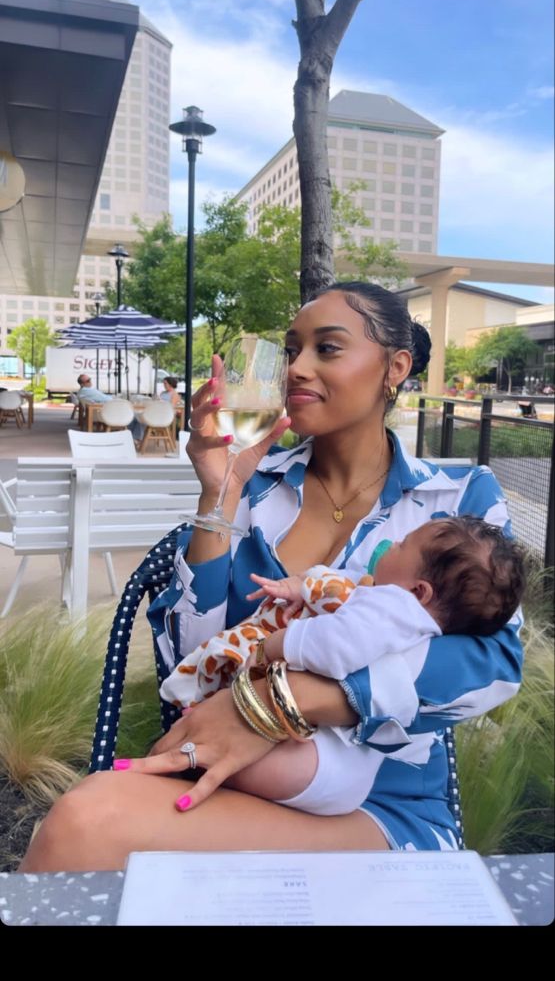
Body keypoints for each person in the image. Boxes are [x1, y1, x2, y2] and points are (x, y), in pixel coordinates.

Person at [19, 282, 523, 871]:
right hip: (242, 779)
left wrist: (291, 702)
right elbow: (192, 657)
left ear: (396, 366)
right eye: (291, 350)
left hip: (382, 805)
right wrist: (221, 491)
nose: (297, 368)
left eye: (327, 349)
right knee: (82, 822)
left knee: (88, 822)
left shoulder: (456, 499)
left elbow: (493, 669)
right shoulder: (255, 487)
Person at [158, 517, 525, 814]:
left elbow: (337, 646)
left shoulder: (392, 607)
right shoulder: (414, 617)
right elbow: (350, 589)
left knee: (212, 760)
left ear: (419, 592)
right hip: (344, 761)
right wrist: (304, 586)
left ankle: (207, 767)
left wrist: (279, 643)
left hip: (321, 760)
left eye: (402, 545)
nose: (391, 543)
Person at [129, 375, 182, 442]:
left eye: (165, 383)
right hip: (156, 412)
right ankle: (131, 437)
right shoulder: (163, 393)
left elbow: (170, 406)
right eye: (163, 383)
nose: (164, 385)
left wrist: (160, 401)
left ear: (171, 383)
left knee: (143, 417)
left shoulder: (174, 394)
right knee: (135, 416)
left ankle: (136, 438)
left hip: (164, 416)